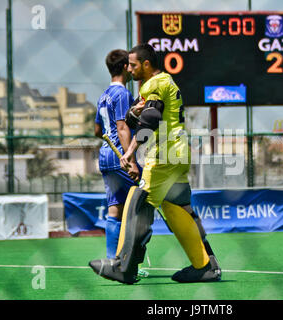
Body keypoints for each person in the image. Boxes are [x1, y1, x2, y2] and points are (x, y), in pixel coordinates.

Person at [89, 43, 221, 284]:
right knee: (178, 208)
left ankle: (123, 266)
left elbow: (151, 117)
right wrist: (133, 112)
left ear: (146, 64)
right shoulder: (167, 82)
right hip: (179, 153)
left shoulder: (153, 84)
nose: (129, 69)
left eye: (133, 65)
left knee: (136, 202)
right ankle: (206, 265)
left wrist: (130, 150)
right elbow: (142, 113)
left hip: (163, 156)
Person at [92, 49, 148, 277]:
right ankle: (129, 262)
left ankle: (113, 261)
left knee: (115, 208)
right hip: (119, 156)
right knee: (145, 203)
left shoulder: (103, 95)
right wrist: (131, 159)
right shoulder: (122, 94)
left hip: (105, 155)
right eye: (131, 65)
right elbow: (122, 127)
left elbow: (98, 130)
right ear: (126, 67)